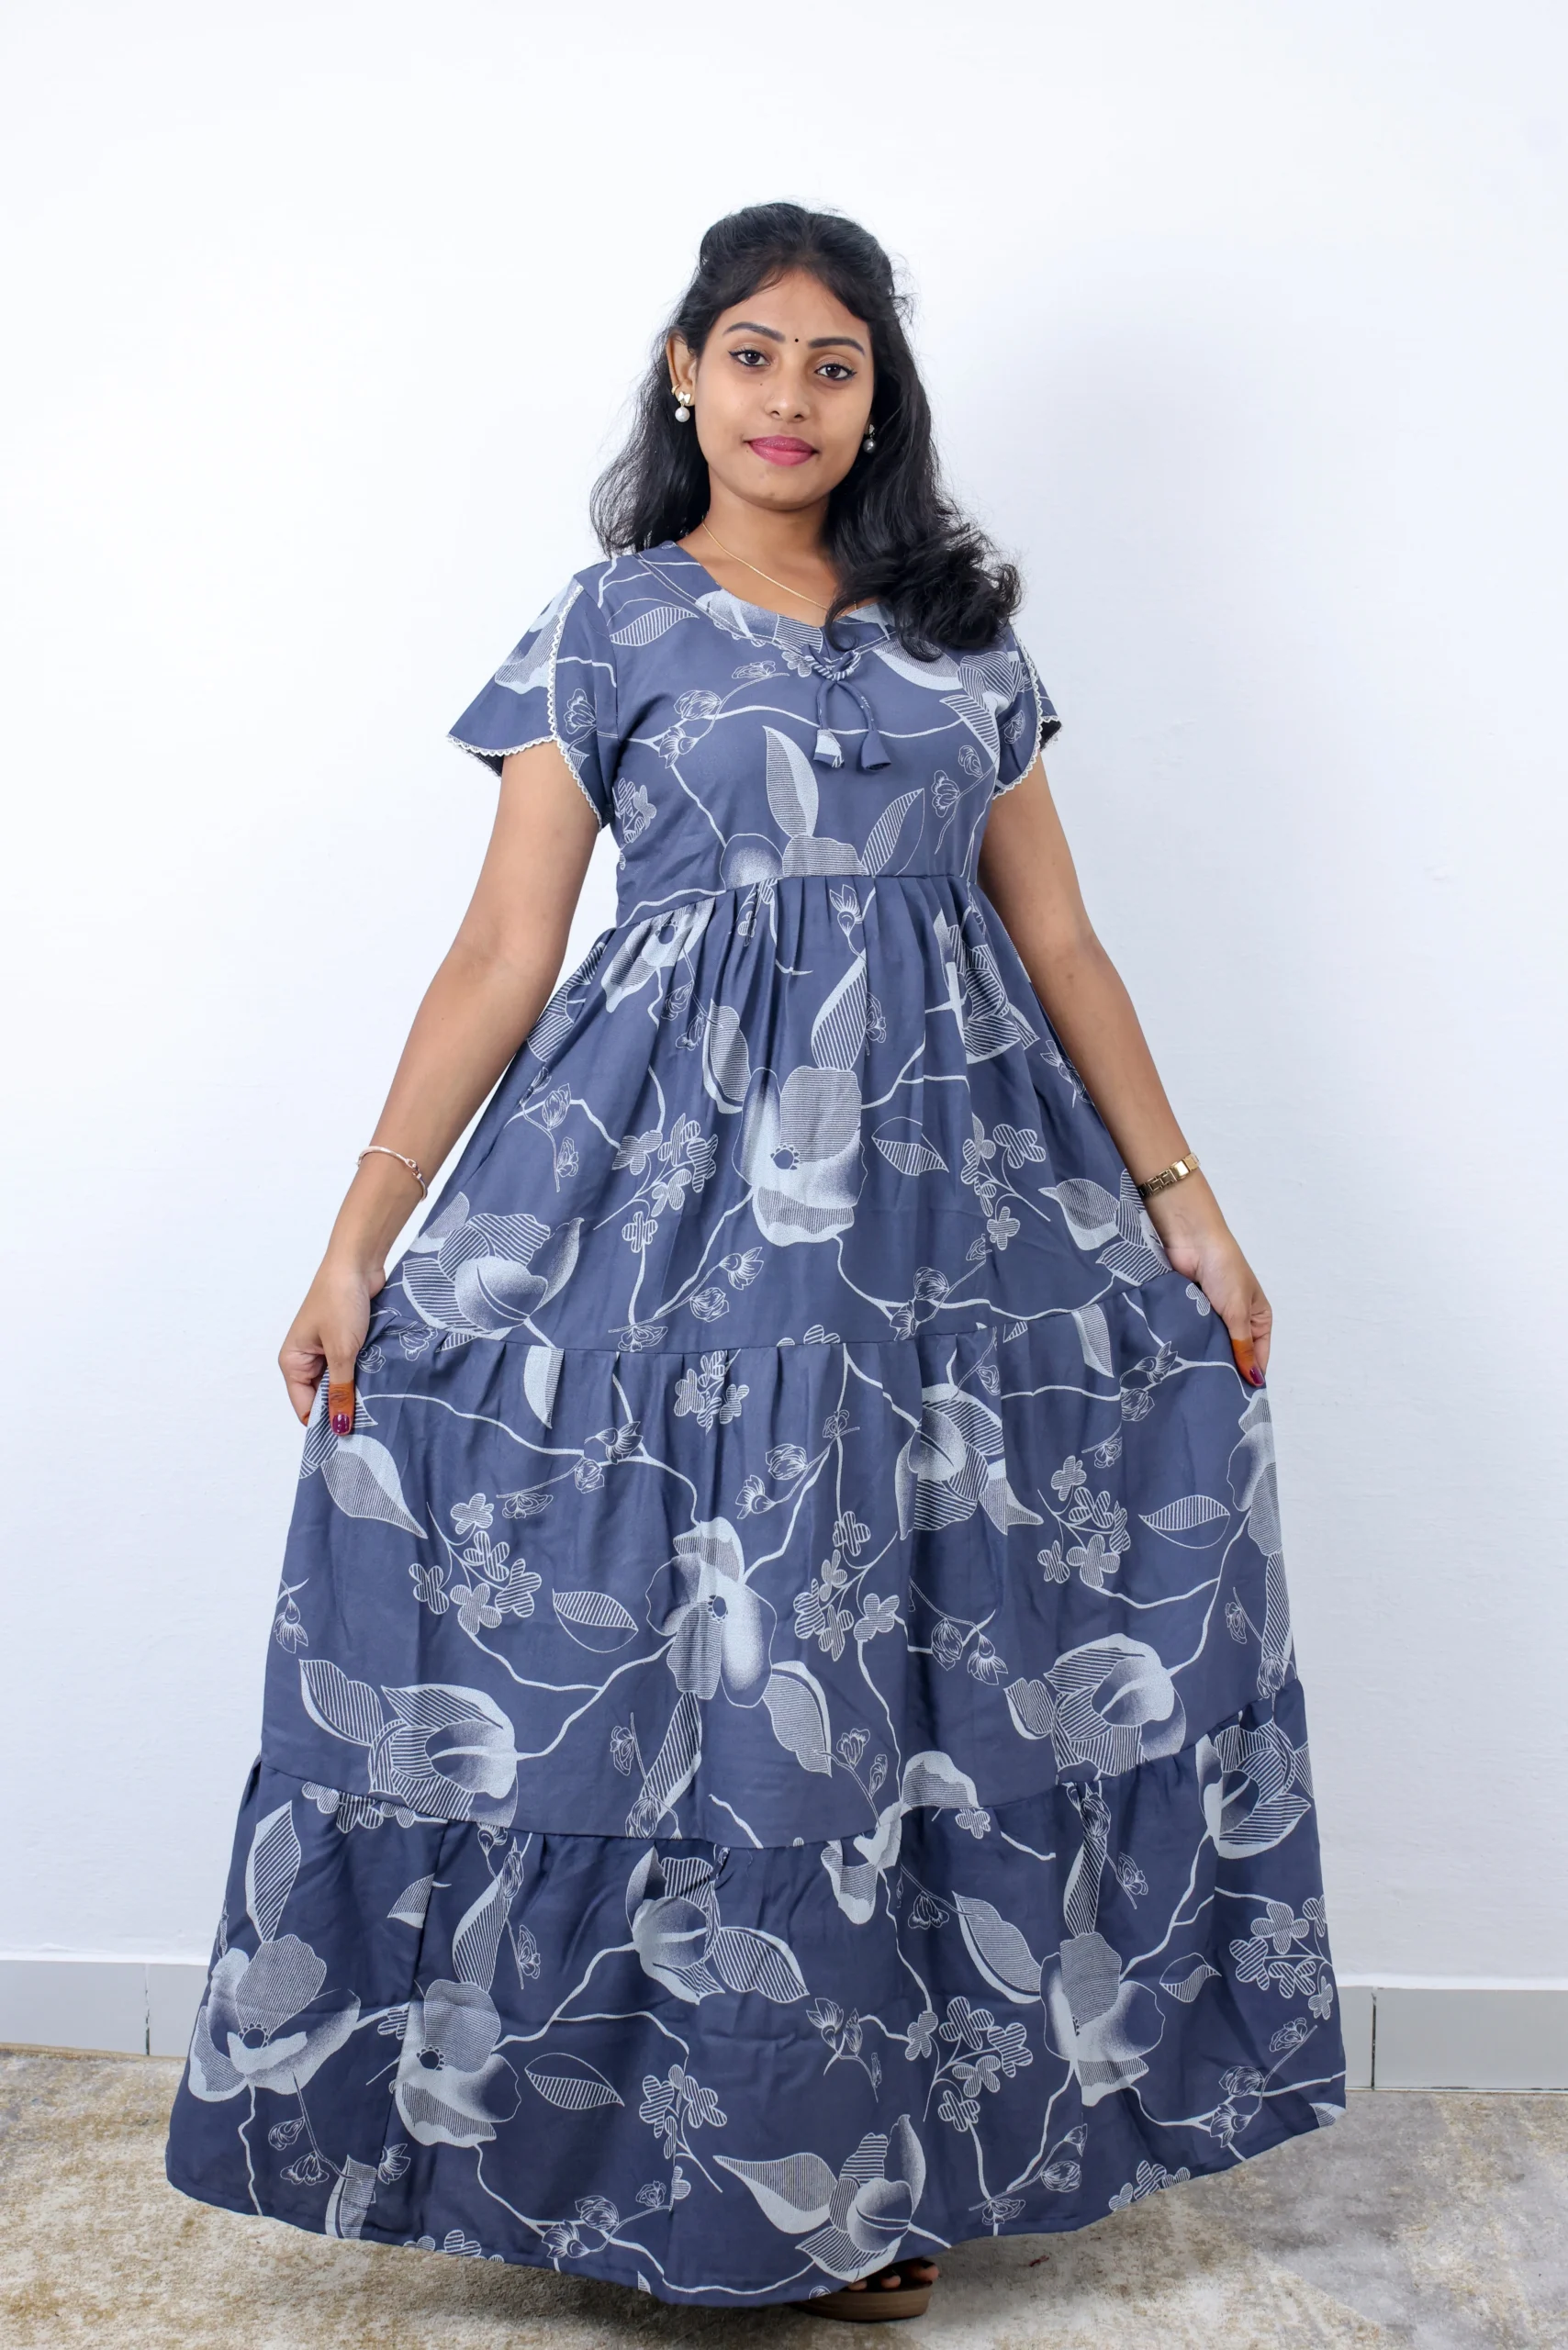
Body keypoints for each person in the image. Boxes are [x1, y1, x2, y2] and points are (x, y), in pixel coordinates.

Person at [165, 202, 1346, 2320]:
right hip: (662, 1196)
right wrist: (361, 1235)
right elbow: (504, 945)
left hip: (950, 1212)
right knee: (687, 1655)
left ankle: (872, 2173)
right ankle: (663, 2176)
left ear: (876, 399)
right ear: (684, 374)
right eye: (753, 352)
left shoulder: (963, 639)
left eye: (833, 361)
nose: (789, 395)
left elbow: (1058, 938)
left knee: (910, 1661)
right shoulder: (606, 623)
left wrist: (1182, 1197)